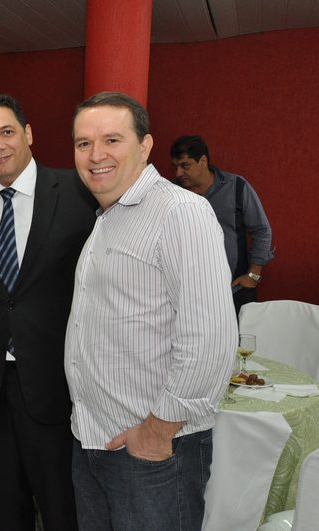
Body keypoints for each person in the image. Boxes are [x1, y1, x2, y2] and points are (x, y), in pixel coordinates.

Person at [66, 92, 237, 530]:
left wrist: (157, 432)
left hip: (152, 453)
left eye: (112, 140)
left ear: (144, 146)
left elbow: (210, 339)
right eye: (84, 143)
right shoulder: (107, 217)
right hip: (94, 441)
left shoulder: (181, 212)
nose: (96, 155)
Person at [0, 93, 96, 530]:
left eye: (7, 132)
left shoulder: (79, 194)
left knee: (63, 509)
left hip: (59, 385)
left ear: (28, 133)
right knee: (3, 511)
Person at [170, 135, 274, 315]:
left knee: (241, 334)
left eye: (185, 165)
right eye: (175, 167)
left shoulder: (236, 187)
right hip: (187, 294)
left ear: (203, 161)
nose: (178, 173)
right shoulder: (172, 193)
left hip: (234, 290)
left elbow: (261, 230)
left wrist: (254, 275)